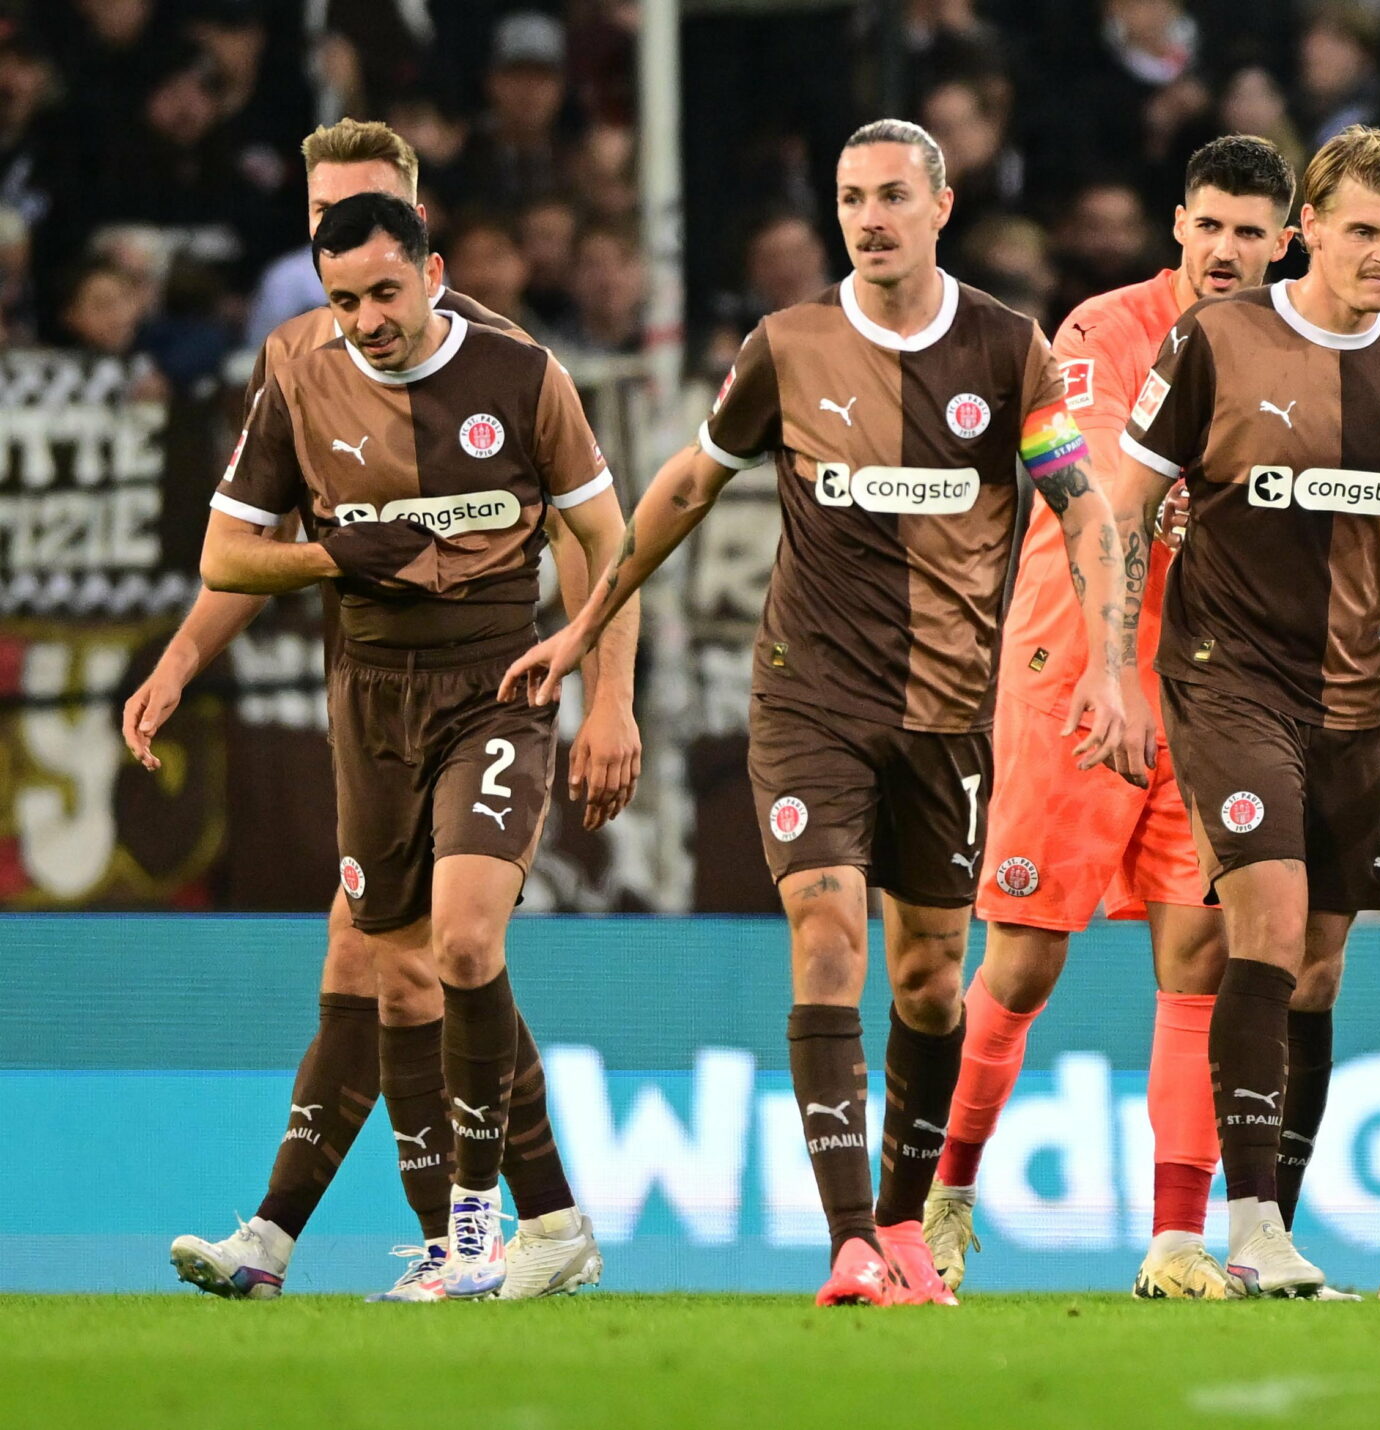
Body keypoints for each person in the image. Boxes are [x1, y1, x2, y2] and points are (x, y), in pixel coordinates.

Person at [501, 120, 1134, 1308]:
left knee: (936, 976)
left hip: (950, 714)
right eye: (850, 198)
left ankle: (901, 1224)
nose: (869, 218)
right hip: (810, 696)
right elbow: (690, 483)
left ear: (942, 206)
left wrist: (1107, 662)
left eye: (893, 195)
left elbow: (1082, 507)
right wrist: (587, 629)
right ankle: (849, 1239)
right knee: (830, 927)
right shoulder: (788, 346)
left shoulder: (1007, 348)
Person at [155, 119, 629, 1305]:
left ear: (427, 246)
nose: (364, 311)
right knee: (395, 970)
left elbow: (603, 541)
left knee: (457, 943)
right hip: (369, 699)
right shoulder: (298, 368)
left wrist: (604, 692)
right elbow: (232, 551)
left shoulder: (517, 369)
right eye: (335, 270)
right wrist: (196, 647)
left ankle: (458, 1237)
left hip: (495, 686)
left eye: (380, 276)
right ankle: (522, 1223)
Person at [1112, 125, 1380, 1298]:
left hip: (1354, 699)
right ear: (1307, 236)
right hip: (1227, 678)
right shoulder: (1216, 339)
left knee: (1322, 968)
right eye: (1365, 233)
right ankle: (1246, 1230)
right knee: (1269, 927)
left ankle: (1270, 1224)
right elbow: (1125, 506)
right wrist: (1104, 665)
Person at [918, 135, 1297, 1302]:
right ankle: (944, 1194)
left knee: (1199, 950)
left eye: (1251, 232)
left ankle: (1176, 1238)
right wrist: (1112, 670)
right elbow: (1097, 504)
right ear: (1177, 225)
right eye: (1210, 226)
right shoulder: (1104, 333)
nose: (1227, 250)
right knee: (1025, 958)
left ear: (1284, 243)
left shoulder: (1292, 353)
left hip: (1210, 683)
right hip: (1075, 666)